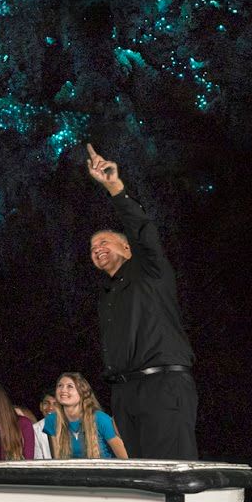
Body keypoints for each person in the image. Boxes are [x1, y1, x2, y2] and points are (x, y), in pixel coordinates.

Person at [85, 143, 199, 459]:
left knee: (169, 473)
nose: (97, 249)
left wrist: (114, 187)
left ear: (127, 249)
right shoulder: (106, 297)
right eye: (92, 248)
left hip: (162, 385)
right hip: (124, 393)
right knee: (139, 477)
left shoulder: (150, 270)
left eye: (104, 242)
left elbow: (143, 230)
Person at [44, 372, 128, 459]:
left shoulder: (100, 419)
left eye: (70, 386)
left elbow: (125, 460)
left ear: (82, 392)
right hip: (72, 472)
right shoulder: (51, 420)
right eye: (60, 385)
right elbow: (58, 461)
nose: (63, 390)